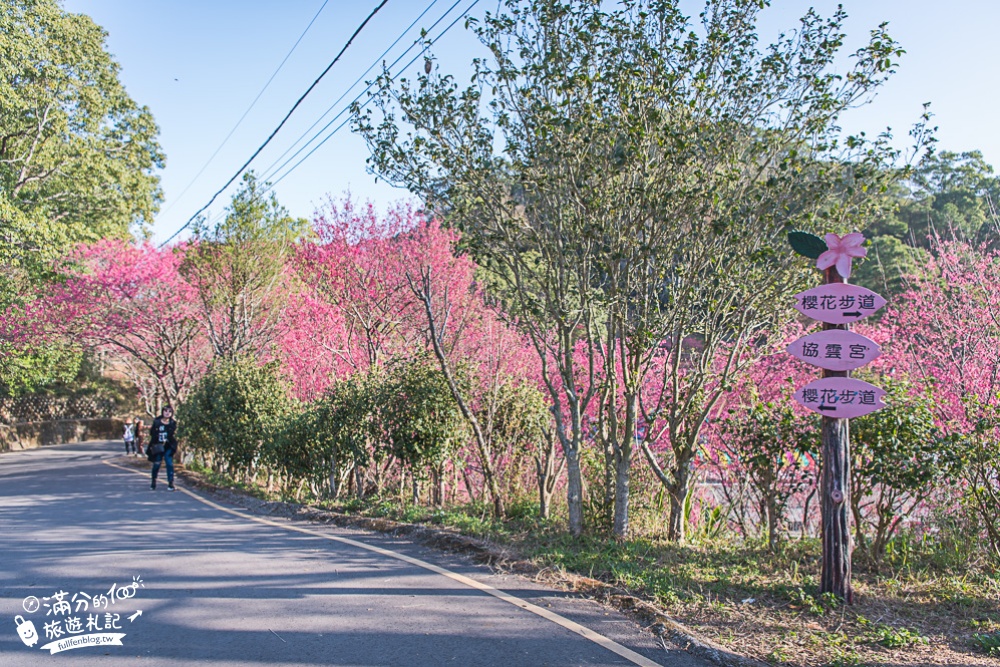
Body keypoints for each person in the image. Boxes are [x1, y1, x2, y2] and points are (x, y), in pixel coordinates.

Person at [148, 406, 178, 491]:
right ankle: (153, 481)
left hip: (168, 446)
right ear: (162, 412)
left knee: (169, 463)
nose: (167, 413)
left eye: (169, 411)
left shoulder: (173, 423)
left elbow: (174, 435)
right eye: (165, 411)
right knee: (157, 464)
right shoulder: (157, 422)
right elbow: (152, 433)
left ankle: (170, 483)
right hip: (158, 446)